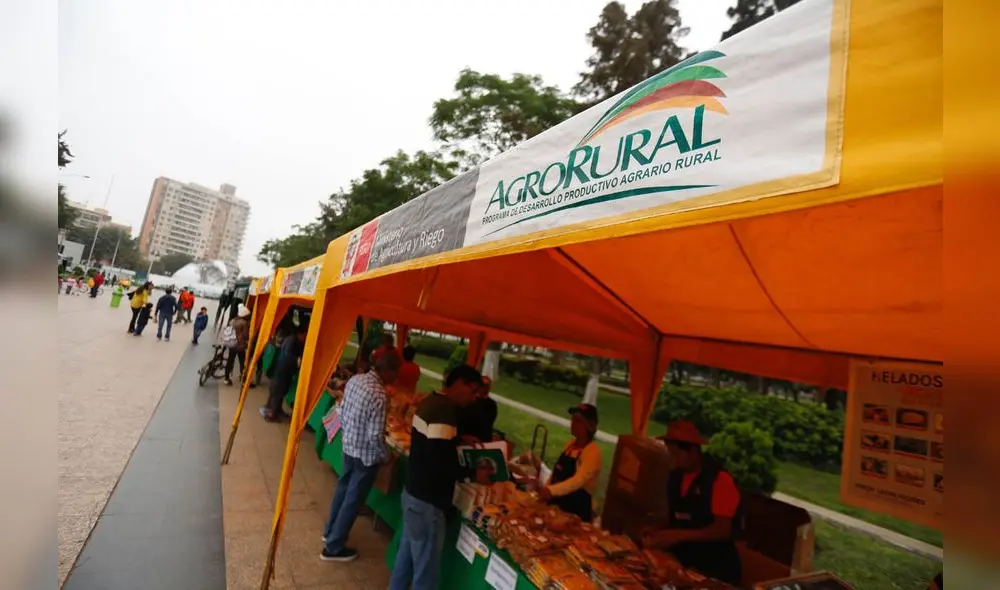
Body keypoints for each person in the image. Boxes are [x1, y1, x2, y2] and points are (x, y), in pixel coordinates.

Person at [389, 364, 486, 590]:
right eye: (473, 391)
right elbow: (441, 464)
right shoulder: (446, 412)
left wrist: (458, 438)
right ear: (460, 383)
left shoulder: (430, 401)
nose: (473, 399)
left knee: (406, 559)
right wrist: (474, 474)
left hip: (413, 494)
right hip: (427, 504)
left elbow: (434, 444)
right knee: (426, 573)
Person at [320, 351, 402, 562]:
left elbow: (343, 410)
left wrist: (349, 437)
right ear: (387, 370)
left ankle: (329, 531)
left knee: (343, 489)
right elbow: (375, 435)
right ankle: (334, 547)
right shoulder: (379, 394)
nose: (397, 378)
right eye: (396, 373)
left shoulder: (356, 380)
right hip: (366, 457)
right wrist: (384, 456)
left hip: (349, 447)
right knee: (353, 499)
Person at [642, 420, 743, 586]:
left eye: (675, 454)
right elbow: (675, 517)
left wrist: (678, 535)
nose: (671, 458)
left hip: (715, 569)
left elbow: (723, 530)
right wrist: (657, 529)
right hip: (684, 564)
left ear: (693, 451)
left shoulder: (720, 480)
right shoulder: (676, 476)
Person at [537, 403, 603, 522]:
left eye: (578, 421)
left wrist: (551, 491)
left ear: (590, 426)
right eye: (572, 419)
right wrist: (547, 488)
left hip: (575, 513)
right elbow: (555, 474)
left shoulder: (592, 452)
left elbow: (577, 481)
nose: (573, 423)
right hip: (557, 507)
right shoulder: (570, 445)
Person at [261, 324, 306, 422]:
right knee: (277, 392)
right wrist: (297, 360)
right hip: (282, 370)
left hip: (285, 371)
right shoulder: (292, 341)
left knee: (279, 392)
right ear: (300, 334)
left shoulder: (294, 340)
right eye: (304, 335)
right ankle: (271, 415)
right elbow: (287, 355)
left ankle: (277, 411)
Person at [458, 375, 498, 444]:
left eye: (486, 386)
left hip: (482, 440)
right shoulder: (468, 401)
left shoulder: (491, 405)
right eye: (482, 385)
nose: (484, 388)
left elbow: (487, 425)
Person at [224, 304, 251, 385]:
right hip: (240, 346)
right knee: (242, 362)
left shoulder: (233, 320)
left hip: (232, 343)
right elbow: (246, 335)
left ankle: (226, 378)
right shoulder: (244, 323)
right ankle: (243, 380)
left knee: (230, 360)